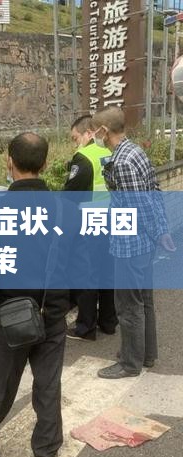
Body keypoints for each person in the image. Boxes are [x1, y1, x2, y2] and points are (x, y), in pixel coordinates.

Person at [0, 133, 73, 457]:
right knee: (48, 385)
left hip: (6, 315)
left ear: (9, 162)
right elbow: (79, 266)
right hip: (50, 313)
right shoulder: (66, 209)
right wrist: (61, 306)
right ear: (45, 164)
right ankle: (45, 453)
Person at [92, 107, 175, 380]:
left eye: (95, 131)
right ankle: (145, 353)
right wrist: (161, 231)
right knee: (143, 301)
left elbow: (138, 208)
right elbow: (154, 192)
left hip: (130, 244)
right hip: (143, 243)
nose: (94, 136)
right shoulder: (135, 151)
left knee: (128, 305)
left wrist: (158, 233)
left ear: (105, 131)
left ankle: (130, 363)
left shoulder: (123, 162)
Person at [64, 115, 118, 341]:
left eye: (75, 137)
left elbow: (70, 195)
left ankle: (86, 328)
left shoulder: (83, 158)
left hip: (90, 223)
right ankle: (108, 322)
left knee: (86, 274)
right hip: (110, 220)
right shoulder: (107, 153)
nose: (75, 143)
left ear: (88, 133)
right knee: (107, 271)